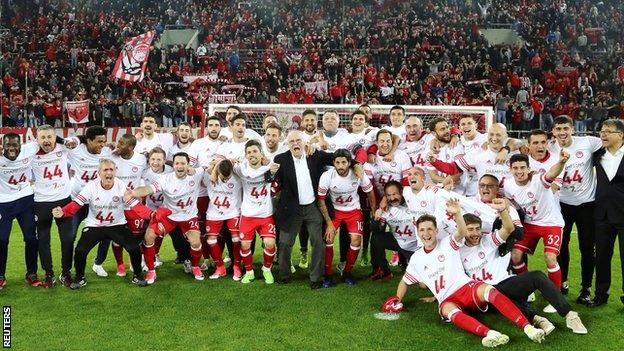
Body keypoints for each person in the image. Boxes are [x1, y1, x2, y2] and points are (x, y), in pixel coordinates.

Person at [381, 200, 546, 347]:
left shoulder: (448, 243)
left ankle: (528, 328)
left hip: (466, 287)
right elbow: (405, 281)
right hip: (446, 298)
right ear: (417, 232)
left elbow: (461, 231)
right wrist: (397, 299)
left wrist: (458, 213)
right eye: (422, 230)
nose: (426, 233)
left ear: (436, 230)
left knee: (489, 290)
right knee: (448, 311)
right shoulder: (416, 258)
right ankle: (490, 334)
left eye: (430, 229)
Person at [460, 198, 587, 334]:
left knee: (537, 276)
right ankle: (536, 319)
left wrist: (503, 210)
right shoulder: (457, 251)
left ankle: (570, 315)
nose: (475, 233)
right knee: (503, 298)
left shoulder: (488, 240)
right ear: (462, 230)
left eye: (477, 229)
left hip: (505, 284)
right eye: (470, 230)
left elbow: (509, 229)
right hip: (483, 295)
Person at [51, 159, 149, 289]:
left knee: (134, 247)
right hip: (94, 226)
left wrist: (150, 215)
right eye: (105, 170)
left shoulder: (121, 186)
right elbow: (76, 204)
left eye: (111, 170)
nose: (108, 172)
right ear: (99, 173)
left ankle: (138, 276)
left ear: (115, 172)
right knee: (80, 250)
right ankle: (80, 278)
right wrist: (63, 212)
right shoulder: (91, 186)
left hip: (117, 225)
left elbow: (135, 205)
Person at [267, 130, 334, 288]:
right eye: (292, 142)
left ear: (305, 142)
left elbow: (336, 157)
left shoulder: (314, 155)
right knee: (284, 243)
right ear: (287, 145)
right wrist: (270, 174)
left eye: (298, 140)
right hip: (291, 208)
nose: (295, 144)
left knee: (318, 242)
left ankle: (316, 278)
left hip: (313, 207)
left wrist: (356, 160)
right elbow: (272, 180)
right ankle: (284, 275)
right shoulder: (280, 159)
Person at [505, 152, 569, 313]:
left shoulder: (538, 180)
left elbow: (552, 174)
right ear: (510, 169)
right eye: (515, 168)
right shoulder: (507, 184)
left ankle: (555, 297)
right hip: (530, 224)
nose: (519, 171)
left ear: (528, 168)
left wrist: (561, 162)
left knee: (550, 257)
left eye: (522, 168)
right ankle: (528, 289)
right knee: (515, 255)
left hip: (551, 223)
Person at [548, 115, 602, 303]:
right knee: (561, 246)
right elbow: (520, 144)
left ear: (572, 129)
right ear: (553, 131)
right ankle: (563, 282)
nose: (562, 132)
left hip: (587, 204)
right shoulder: (548, 147)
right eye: (558, 129)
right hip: (561, 204)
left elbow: (612, 140)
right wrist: (506, 148)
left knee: (587, 248)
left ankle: (586, 288)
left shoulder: (587, 142)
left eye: (565, 128)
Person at [129, 152, 205, 284]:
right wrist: (133, 192)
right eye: (177, 163)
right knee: (149, 237)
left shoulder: (197, 174)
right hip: (169, 216)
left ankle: (195, 266)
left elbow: (209, 166)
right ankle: (151, 270)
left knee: (196, 243)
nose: (179, 166)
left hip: (188, 217)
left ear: (188, 165)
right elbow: (148, 189)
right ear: (173, 165)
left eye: (183, 163)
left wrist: (201, 168)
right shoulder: (165, 179)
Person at [317, 149, 376, 286]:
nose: (340, 166)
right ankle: (328, 274)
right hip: (335, 211)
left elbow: (370, 192)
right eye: (337, 162)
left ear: (349, 163)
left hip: (353, 210)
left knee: (356, 241)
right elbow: (321, 201)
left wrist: (373, 211)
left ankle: (348, 272)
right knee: (329, 238)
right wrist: (329, 222)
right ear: (333, 163)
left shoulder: (358, 173)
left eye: (344, 162)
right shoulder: (327, 176)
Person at [31, 125, 78, 287]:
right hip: (41, 202)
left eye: (49, 137)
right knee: (43, 240)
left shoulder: (64, 147)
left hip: (63, 200)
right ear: (37, 139)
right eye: (42, 137)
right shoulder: (31, 152)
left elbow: (76, 141)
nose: (46, 141)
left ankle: (66, 272)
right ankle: (48, 273)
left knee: (67, 239)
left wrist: (62, 140)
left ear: (55, 137)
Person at [0, 133, 43, 289]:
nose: (11, 148)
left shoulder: (29, 149)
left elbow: (46, 140)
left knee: (31, 238)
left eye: (15, 145)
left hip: (25, 200)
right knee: (2, 240)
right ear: (2, 145)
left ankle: (31, 273)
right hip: (3, 203)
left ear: (21, 144)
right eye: (8, 145)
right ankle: (0, 275)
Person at [233, 139, 277, 284]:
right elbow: (227, 166)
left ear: (261, 153)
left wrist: (269, 162)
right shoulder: (241, 169)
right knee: (245, 245)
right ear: (245, 155)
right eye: (249, 152)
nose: (252, 154)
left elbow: (277, 169)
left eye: (255, 151)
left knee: (270, 243)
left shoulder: (270, 167)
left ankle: (267, 269)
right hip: (248, 215)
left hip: (265, 214)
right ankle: (249, 271)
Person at [590, 119, 624, 307]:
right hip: (602, 214)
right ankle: (601, 294)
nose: (602, 134)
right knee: (601, 257)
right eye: (601, 131)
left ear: (620, 135)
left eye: (607, 131)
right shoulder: (597, 155)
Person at [370, 181, 419, 280]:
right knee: (376, 238)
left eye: (394, 194)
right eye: (388, 195)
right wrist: (376, 219)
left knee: (421, 280)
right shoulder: (386, 209)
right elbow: (377, 230)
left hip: (416, 246)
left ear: (401, 192)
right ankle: (384, 271)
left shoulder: (414, 203)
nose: (392, 198)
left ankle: (407, 264)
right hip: (398, 242)